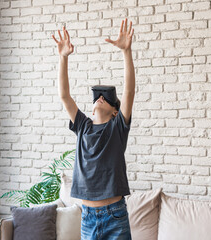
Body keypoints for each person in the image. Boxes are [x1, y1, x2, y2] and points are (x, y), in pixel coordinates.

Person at [52, 17, 135, 240]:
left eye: (105, 99)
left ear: (115, 111)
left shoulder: (117, 128)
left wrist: (126, 52)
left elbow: (128, 94)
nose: (99, 99)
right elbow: (64, 96)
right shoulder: (83, 126)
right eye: (97, 97)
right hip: (87, 217)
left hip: (114, 216)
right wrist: (63, 57)